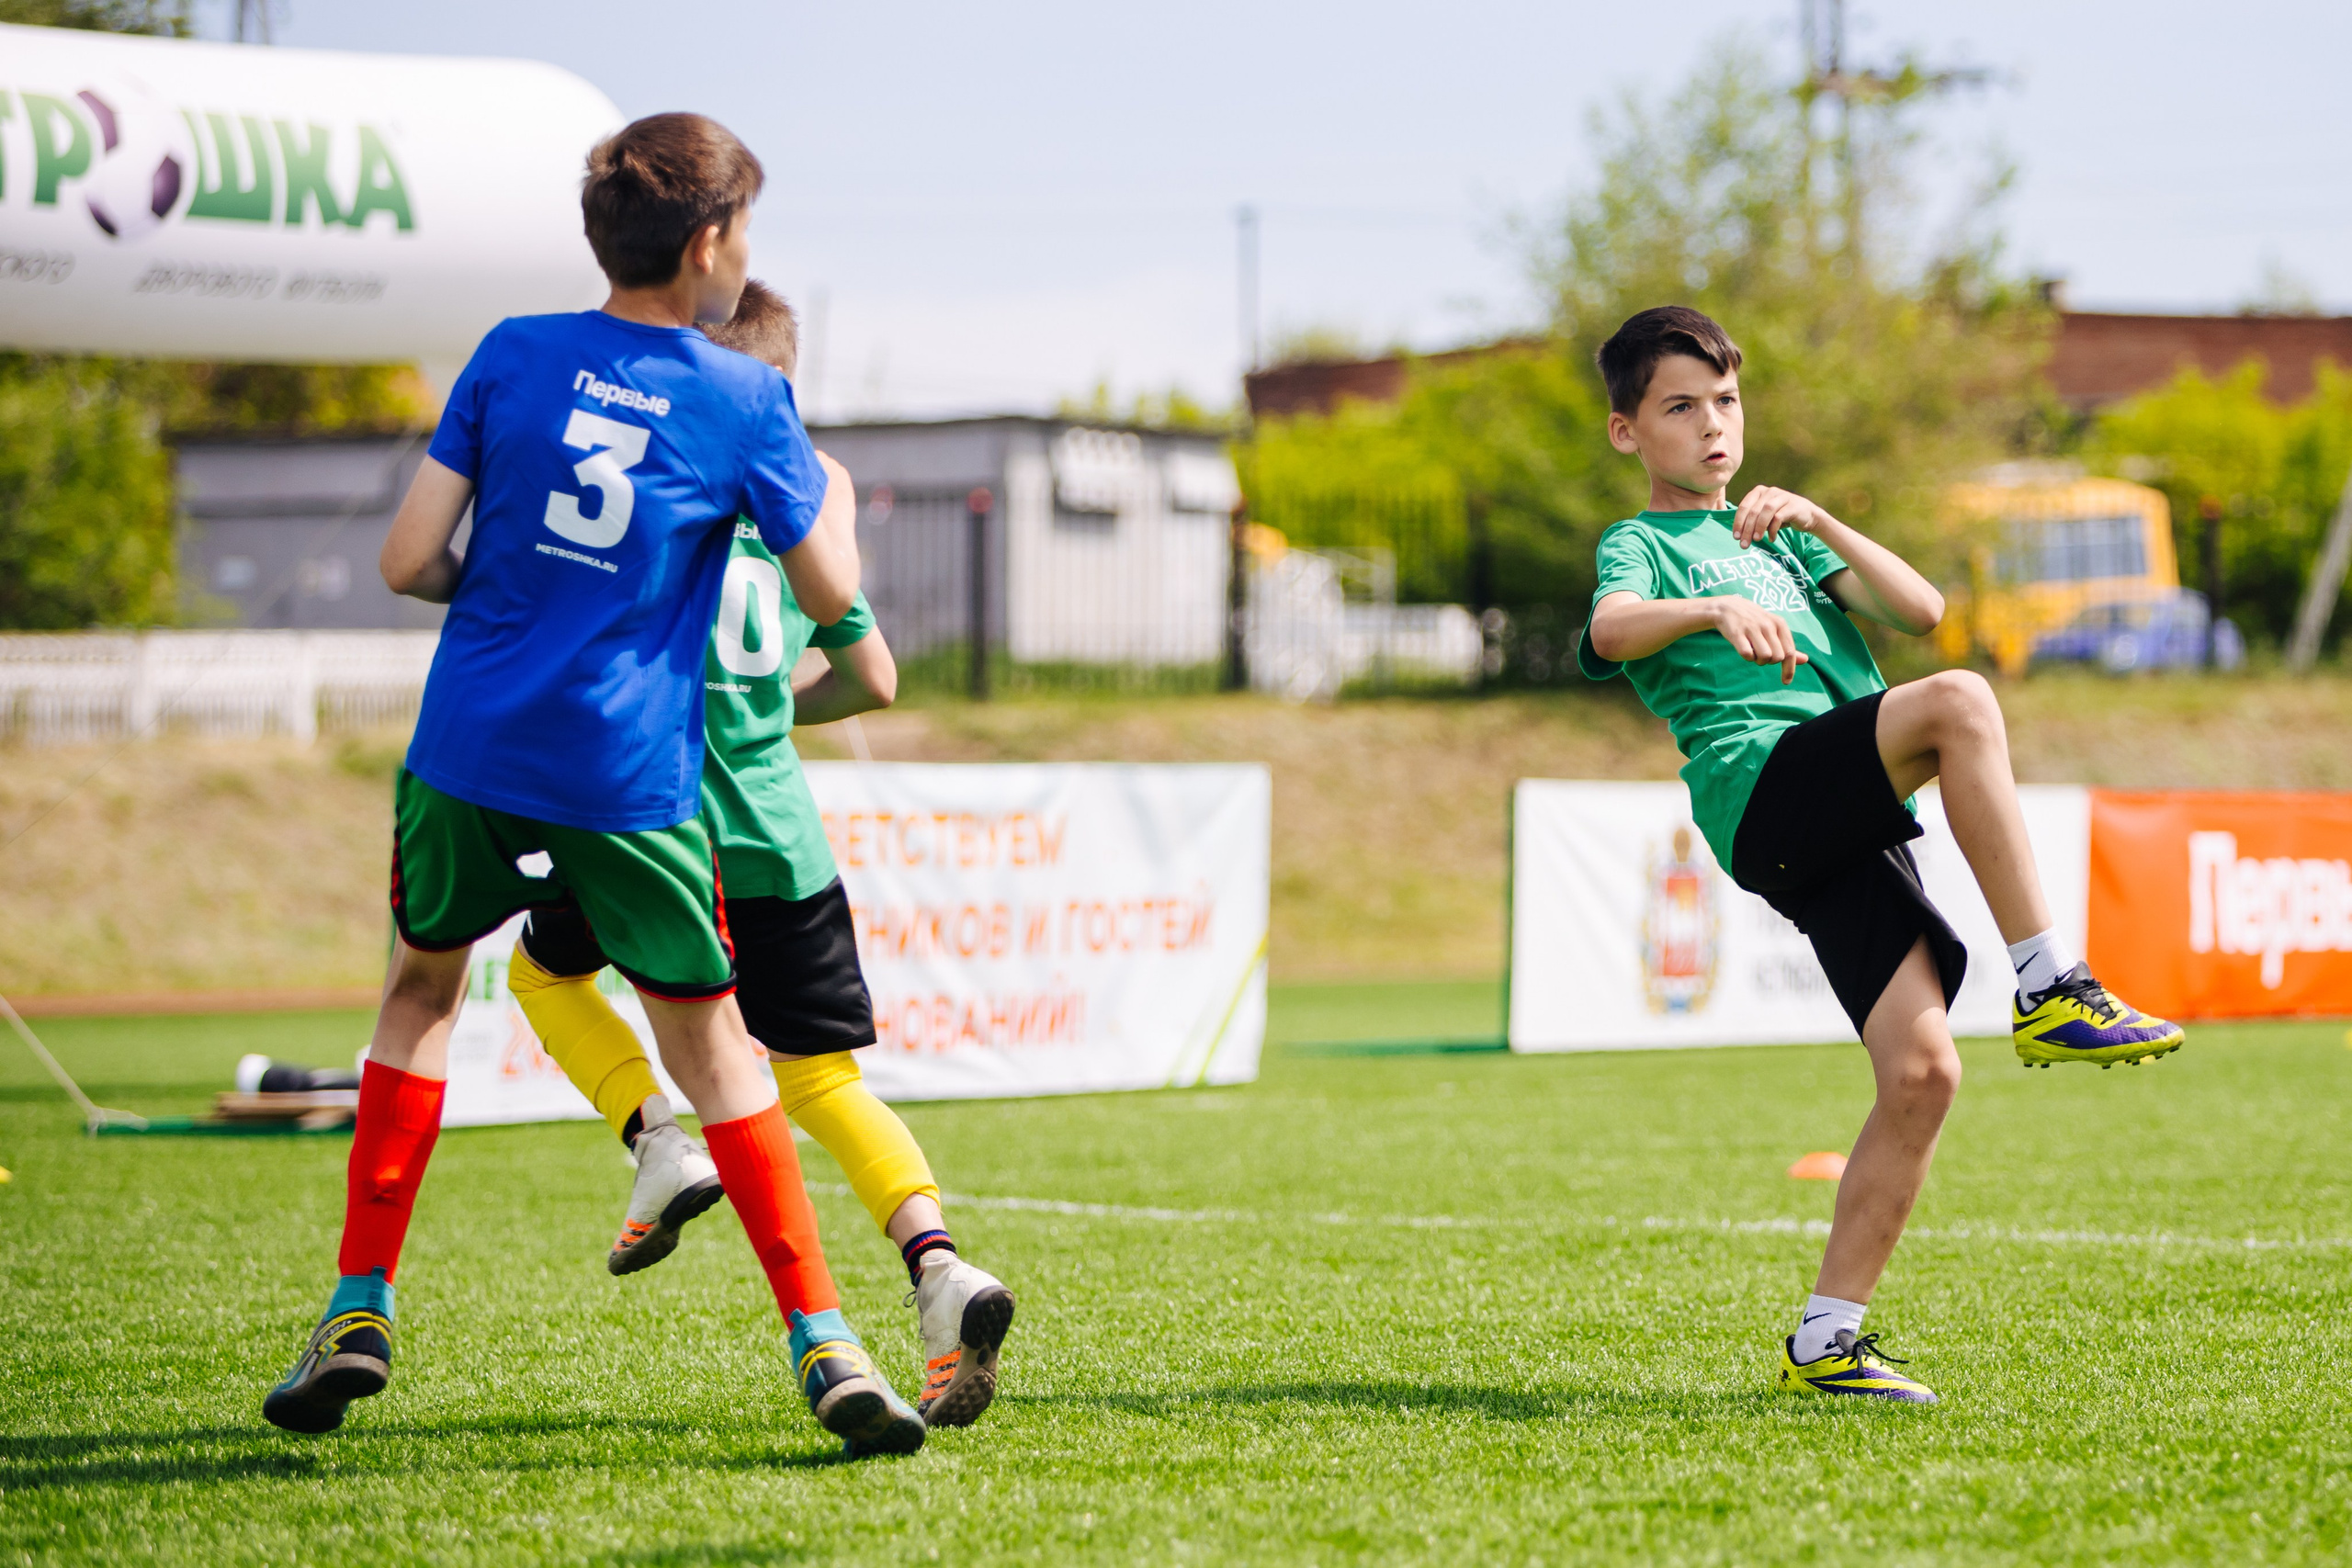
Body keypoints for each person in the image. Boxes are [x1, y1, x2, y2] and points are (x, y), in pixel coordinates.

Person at [261, 115, 924, 1458]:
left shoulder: (510, 351)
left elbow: (406, 561)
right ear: (709, 242)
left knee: (421, 993)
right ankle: (826, 1341)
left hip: (469, 743)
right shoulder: (742, 398)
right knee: (714, 1045)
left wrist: (522, 600)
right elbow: (831, 594)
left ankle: (357, 1308)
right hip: (625, 765)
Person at [1578, 305, 2185, 1405]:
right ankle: (2050, 981)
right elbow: (1611, 629)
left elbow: (1922, 607)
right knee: (1959, 703)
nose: (1711, 425)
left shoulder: (1784, 538)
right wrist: (1708, 606)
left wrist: (1817, 518)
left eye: (1726, 401)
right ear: (1628, 432)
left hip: (1840, 817)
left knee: (1922, 1074)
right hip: (1765, 791)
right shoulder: (1644, 544)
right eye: (1678, 407)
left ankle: (1827, 1340)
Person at [506, 280, 1016, 1429]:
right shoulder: (819, 487)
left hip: (658, 828)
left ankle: (654, 1139)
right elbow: (873, 676)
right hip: (783, 838)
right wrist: (764, 710)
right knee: (824, 1081)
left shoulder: (651, 470)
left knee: (541, 974)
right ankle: (940, 1268)